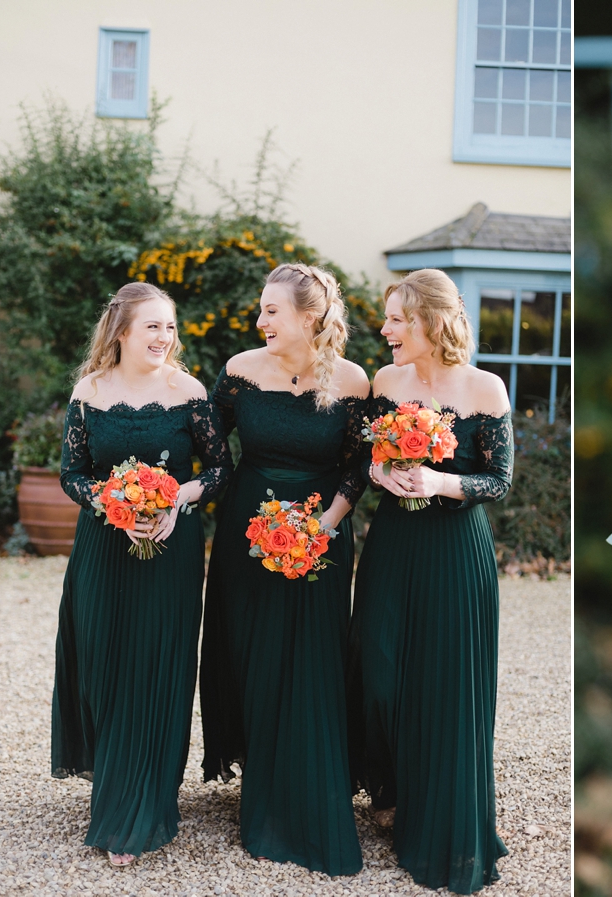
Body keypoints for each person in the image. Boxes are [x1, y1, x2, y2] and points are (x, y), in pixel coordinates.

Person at [198, 263, 370, 876]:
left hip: (321, 532)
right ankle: (259, 773)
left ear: (310, 316)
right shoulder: (240, 372)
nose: (260, 320)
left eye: (271, 310)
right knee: (253, 649)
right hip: (247, 527)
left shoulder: (352, 381)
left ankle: (306, 782)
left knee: (313, 655)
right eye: (261, 310)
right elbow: (212, 451)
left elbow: (360, 468)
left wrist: (321, 527)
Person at [53, 282, 231, 867]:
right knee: (103, 666)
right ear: (122, 330)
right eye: (152, 326)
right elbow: (72, 474)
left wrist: (178, 496)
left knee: (156, 666)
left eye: (170, 327)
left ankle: (143, 804)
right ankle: (115, 784)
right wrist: (114, 504)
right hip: (102, 552)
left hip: (170, 552)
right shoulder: (90, 391)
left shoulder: (189, 391)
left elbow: (221, 470)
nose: (163, 337)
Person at [346, 268, 512, 894]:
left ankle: (435, 812)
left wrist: (442, 482)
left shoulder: (485, 389)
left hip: (454, 550)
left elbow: (498, 480)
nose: (384, 329)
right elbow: (361, 456)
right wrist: (382, 474)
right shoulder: (385, 382)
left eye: (396, 319)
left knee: (446, 683)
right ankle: (386, 784)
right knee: (380, 668)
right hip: (393, 544)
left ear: (431, 324)